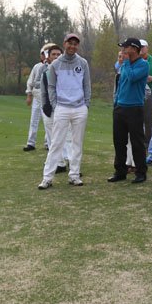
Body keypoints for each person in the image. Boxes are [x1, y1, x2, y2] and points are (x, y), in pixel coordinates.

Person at [38, 33, 91, 189]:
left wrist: (86, 104)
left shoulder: (83, 63)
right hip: (62, 107)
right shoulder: (55, 64)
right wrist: (56, 106)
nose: (72, 46)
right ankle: (47, 178)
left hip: (80, 108)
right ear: (65, 44)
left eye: (75, 44)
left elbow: (87, 85)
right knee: (56, 143)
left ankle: (74, 175)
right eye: (70, 43)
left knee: (77, 144)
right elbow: (51, 87)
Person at [108, 38, 150, 183]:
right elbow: (121, 83)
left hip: (134, 108)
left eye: (126, 47)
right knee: (119, 141)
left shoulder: (143, 65)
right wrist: (116, 102)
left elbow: (131, 78)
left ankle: (141, 172)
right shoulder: (125, 64)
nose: (123, 50)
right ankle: (120, 171)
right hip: (120, 107)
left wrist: (125, 62)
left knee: (137, 142)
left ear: (134, 48)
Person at [24, 44, 52, 152]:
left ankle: (48, 143)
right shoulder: (37, 67)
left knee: (47, 121)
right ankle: (31, 143)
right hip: (37, 96)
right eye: (43, 54)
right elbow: (30, 82)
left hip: (48, 98)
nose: (44, 56)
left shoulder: (52, 66)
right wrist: (29, 95)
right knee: (34, 120)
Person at [140, 39, 152, 156]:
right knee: (138, 120)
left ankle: (148, 143)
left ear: (147, 48)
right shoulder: (135, 59)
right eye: (140, 47)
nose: (142, 49)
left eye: (143, 47)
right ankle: (139, 142)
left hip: (150, 93)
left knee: (148, 120)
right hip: (138, 94)